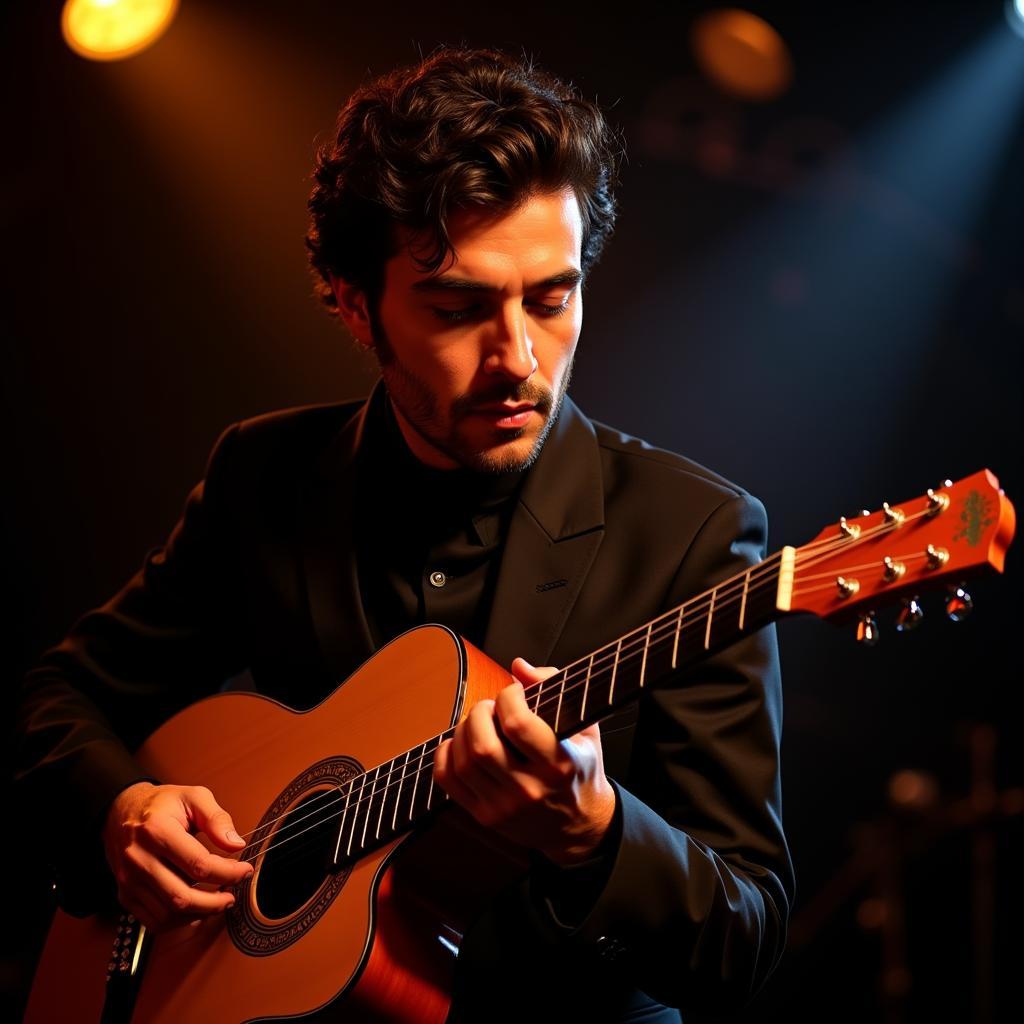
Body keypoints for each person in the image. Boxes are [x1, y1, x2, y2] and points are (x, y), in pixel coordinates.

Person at [15, 47, 793, 1023]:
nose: (516, 359)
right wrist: (123, 812)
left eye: (550, 298)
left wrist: (591, 831)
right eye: (458, 308)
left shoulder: (695, 534)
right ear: (353, 304)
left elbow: (747, 935)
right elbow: (58, 699)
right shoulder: (266, 478)